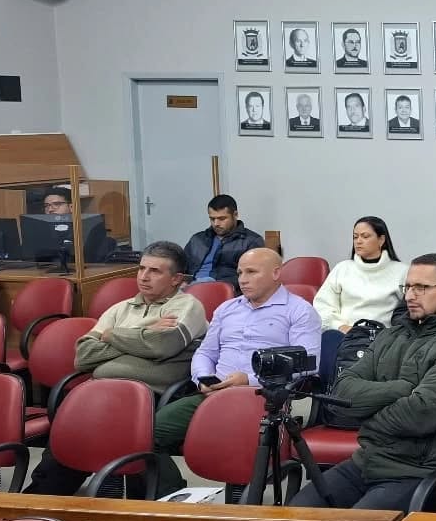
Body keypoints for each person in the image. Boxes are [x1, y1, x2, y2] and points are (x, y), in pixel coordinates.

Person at [288, 254, 436, 521]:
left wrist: (366, 415)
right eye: (408, 287)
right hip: (369, 460)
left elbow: (419, 415)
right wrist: (402, 389)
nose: (410, 296)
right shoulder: (390, 336)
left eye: (421, 287)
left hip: (418, 470)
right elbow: (341, 396)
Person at [23, 242, 209, 496]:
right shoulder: (120, 308)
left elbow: (162, 346)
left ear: (176, 279)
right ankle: (42, 499)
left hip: (148, 394)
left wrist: (111, 336)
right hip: (100, 390)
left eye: (155, 271)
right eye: (141, 268)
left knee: (110, 429)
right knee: (71, 433)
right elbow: (84, 356)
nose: (144, 276)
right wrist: (142, 333)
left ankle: (161, 500)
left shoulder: (187, 306)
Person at [162, 248, 321, 497]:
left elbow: (306, 365)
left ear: (276, 273)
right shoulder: (227, 309)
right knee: (147, 434)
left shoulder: (299, 311)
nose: (242, 280)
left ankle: (243, 505)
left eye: (251, 272)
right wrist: (202, 378)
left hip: (261, 399)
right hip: (212, 394)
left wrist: (249, 379)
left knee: (240, 451)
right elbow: (205, 353)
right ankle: (169, 497)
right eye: (239, 273)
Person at [314, 216, 408, 333]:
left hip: (383, 337)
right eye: (355, 237)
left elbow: (409, 309)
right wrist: (340, 326)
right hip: (344, 334)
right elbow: (322, 305)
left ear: (381, 240)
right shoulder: (342, 268)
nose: (358, 241)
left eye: (365, 236)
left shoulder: (402, 271)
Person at [183, 194, 265, 291]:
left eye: (222, 219)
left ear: (235, 215)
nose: (216, 223)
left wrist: (216, 285)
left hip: (225, 291)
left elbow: (252, 275)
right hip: (190, 290)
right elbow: (182, 267)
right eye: (212, 219)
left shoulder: (251, 241)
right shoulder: (197, 239)